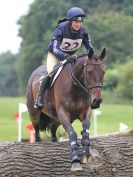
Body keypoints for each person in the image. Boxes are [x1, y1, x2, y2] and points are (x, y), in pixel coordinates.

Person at [34, 7, 94, 109]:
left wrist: (91, 55)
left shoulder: (83, 33)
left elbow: (89, 47)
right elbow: (56, 49)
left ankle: (89, 99)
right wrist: (65, 56)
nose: (79, 24)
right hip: (55, 55)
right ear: (70, 22)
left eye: (81, 21)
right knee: (51, 73)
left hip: (70, 56)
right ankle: (39, 99)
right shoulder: (60, 29)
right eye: (76, 21)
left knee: (82, 73)